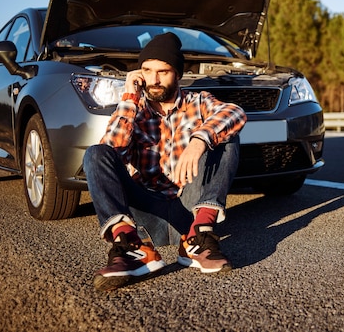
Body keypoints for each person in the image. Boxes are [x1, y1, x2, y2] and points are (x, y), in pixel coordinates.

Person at [83, 32, 247, 291]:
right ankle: (132, 247)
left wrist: (200, 140)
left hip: (190, 205)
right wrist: (128, 99)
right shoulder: (133, 110)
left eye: (164, 71)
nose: (154, 79)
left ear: (178, 74)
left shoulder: (199, 101)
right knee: (95, 153)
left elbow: (235, 113)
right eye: (147, 70)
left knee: (226, 136)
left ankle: (198, 237)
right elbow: (111, 150)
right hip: (148, 213)